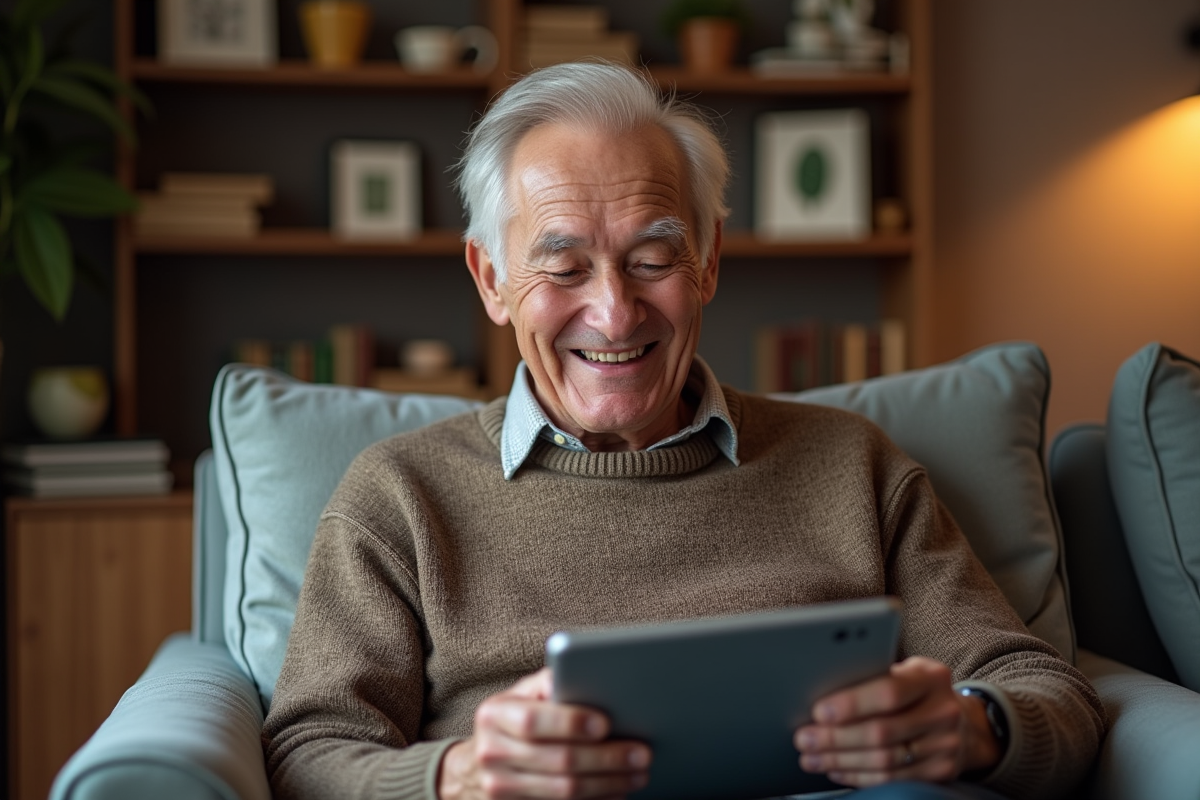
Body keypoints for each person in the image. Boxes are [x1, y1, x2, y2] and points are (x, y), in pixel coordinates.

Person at [262, 62, 1105, 800]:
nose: (614, 311)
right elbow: (307, 753)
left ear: (707, 259)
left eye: (653, 259)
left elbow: (1044, 690)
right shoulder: (400, 495)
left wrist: (973, 725)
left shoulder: (855, 465)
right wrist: (455, 777)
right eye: (562, 266)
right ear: (492, 278)